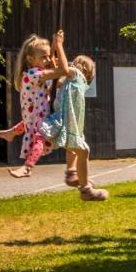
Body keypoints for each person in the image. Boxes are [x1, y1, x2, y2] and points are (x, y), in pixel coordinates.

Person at [38, 31, 107, 201]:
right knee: (83, 150)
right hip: (66, 121)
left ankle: (71, 173)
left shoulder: (76, 76)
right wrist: (55, 44)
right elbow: (57, 64)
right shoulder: (73, 80)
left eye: (75, 62)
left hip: (67, 122)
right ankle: (85, 189)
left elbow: (62, 66)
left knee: (76, 146)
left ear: (81, 68)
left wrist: (59, 44)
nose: (71, 64)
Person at [0, 34, 65, 178]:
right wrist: (59, 45)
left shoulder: (34, 73)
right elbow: (62, 71)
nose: (47, 60)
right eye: (43, 57)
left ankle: (11, 133)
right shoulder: (35, 74)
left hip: (34, 115)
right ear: (30, 59)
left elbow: (52, 67)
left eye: (48, 56)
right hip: (38, 117)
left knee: (29, 124)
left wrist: (52, 46)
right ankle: (27, 167)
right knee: (39, 138)